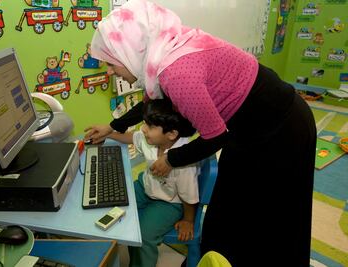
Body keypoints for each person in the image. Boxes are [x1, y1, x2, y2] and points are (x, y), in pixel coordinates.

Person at [84, 0, 316, 266]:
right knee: (227, 210)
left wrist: (170, 159)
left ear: (129, 50)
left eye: (111, 63)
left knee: (271, 213)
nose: (110, 71)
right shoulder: (162, 52)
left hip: (281, 127)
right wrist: (113, 127)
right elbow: (149, 103)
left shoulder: (175, 72)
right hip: (248, 125)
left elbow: (216, 137)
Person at [105, 98, 199, 267]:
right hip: (146, 186)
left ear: (172, 134)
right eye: (145, 123)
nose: (143, 129)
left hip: (170, 202)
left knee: (144, 235)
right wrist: (109, 133)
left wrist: (188, 220)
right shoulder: (152, 139)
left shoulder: (184, 161)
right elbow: (134, 137)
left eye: (150, 126)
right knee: (116, 204)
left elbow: (189, 196)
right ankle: (134, 258)